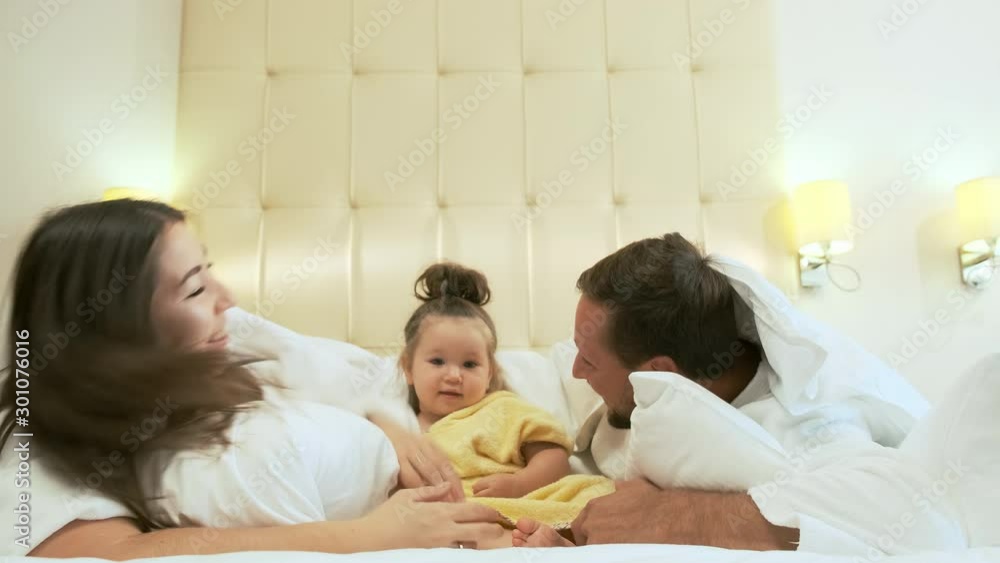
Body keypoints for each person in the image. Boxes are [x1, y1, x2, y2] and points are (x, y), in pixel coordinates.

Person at [0, 199, 501, 558]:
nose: (227, 298)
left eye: (208, 271)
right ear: (116, 333)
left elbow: (343, 374)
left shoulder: (218, 335)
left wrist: (393, 431)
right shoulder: (35, 445)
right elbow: (106, 552)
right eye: (195, 288)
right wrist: (370, 535)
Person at [516, 233, 957, 554]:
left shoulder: (811, 424)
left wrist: (674, 518)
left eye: (588, 361)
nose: (575, 371)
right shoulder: (662, 374)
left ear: (658, 372)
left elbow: (927, 527)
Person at [389, 262, 612, 539]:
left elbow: (554, 457)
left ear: (490, 373)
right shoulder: (399, 431)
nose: (454, 375)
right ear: (408, 367)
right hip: (451, 518)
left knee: (591, 498)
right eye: (437, 361)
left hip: (518, 504)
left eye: (470, 364)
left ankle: (553, 538)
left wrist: (519, 484)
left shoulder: (502, 408)